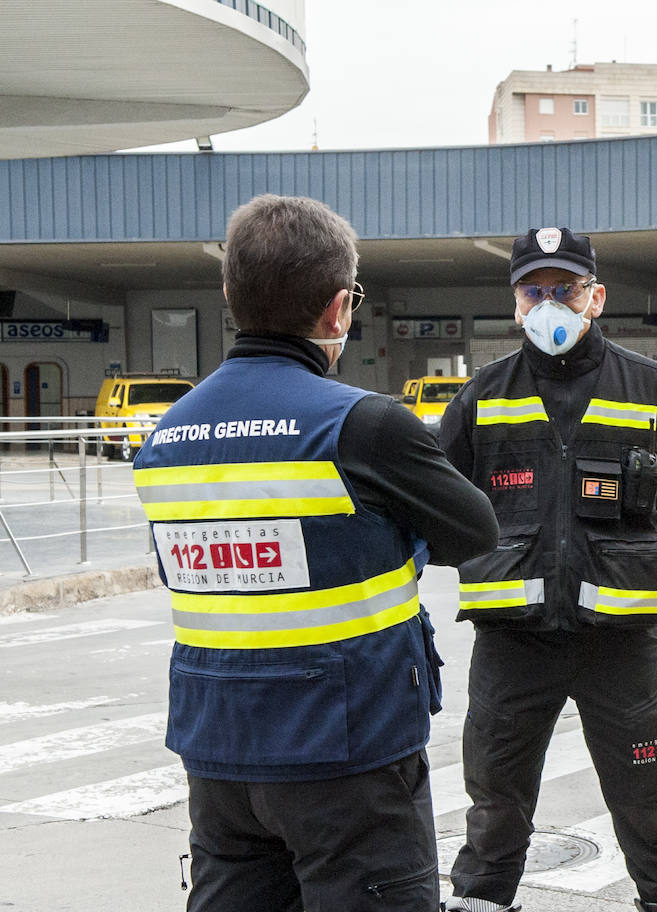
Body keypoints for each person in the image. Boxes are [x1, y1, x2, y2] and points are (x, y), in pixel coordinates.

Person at [132, 193, 499, 912]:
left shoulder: (165, 437)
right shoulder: (362, 425)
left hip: (217, 752)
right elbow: (476, 531)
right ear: (337, 311)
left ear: (231, 295)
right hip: (347, 753)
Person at [436, 227, 657, 912]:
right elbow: (446, 503)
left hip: (619, 643)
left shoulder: (652, 387)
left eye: (566, 289)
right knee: (495, 809)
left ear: (596, 298)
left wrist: (621, 566)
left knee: (649, 808)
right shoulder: (480, 395)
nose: (549, 303)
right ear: (515, 302)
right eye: (535, 290)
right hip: (511, 643)